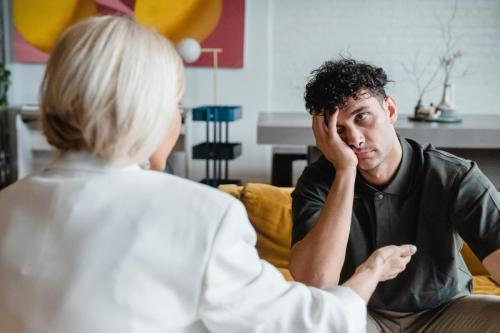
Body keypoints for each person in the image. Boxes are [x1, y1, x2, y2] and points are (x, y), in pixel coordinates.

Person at [0, 17, 415, 333]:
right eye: (176, 105)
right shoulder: (201, 215)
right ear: (147, 111)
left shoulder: (8, 205)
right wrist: (372, 271)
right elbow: (309, 324)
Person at [290, 58, 500, 332]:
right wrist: (345, 171)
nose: (354, 139)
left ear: (389, 110)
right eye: (338, 129)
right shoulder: (318, 181)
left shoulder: (454, 175)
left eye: (361, 117)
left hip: (445, 312)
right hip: (362, 315)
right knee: (306, 323)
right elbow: (316, 284)